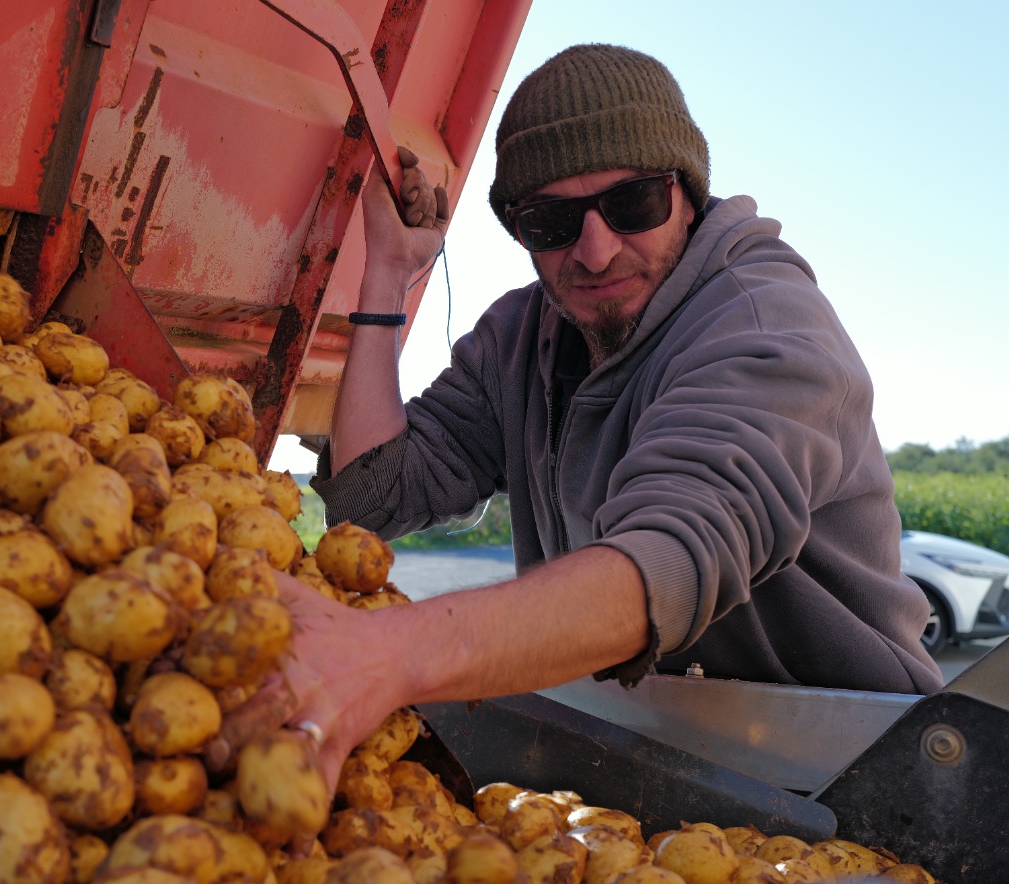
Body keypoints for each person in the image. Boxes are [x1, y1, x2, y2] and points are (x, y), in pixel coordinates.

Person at [251, 44, 942, 785]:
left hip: (845, 772)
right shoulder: (520, 339)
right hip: (642, 757)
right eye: (550, 221)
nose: (597, 249)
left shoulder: (763, 327)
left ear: (687, 192)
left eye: (632, 204)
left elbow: (670, 562)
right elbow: (371, 496)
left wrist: (389, 654)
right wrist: (386, 271)